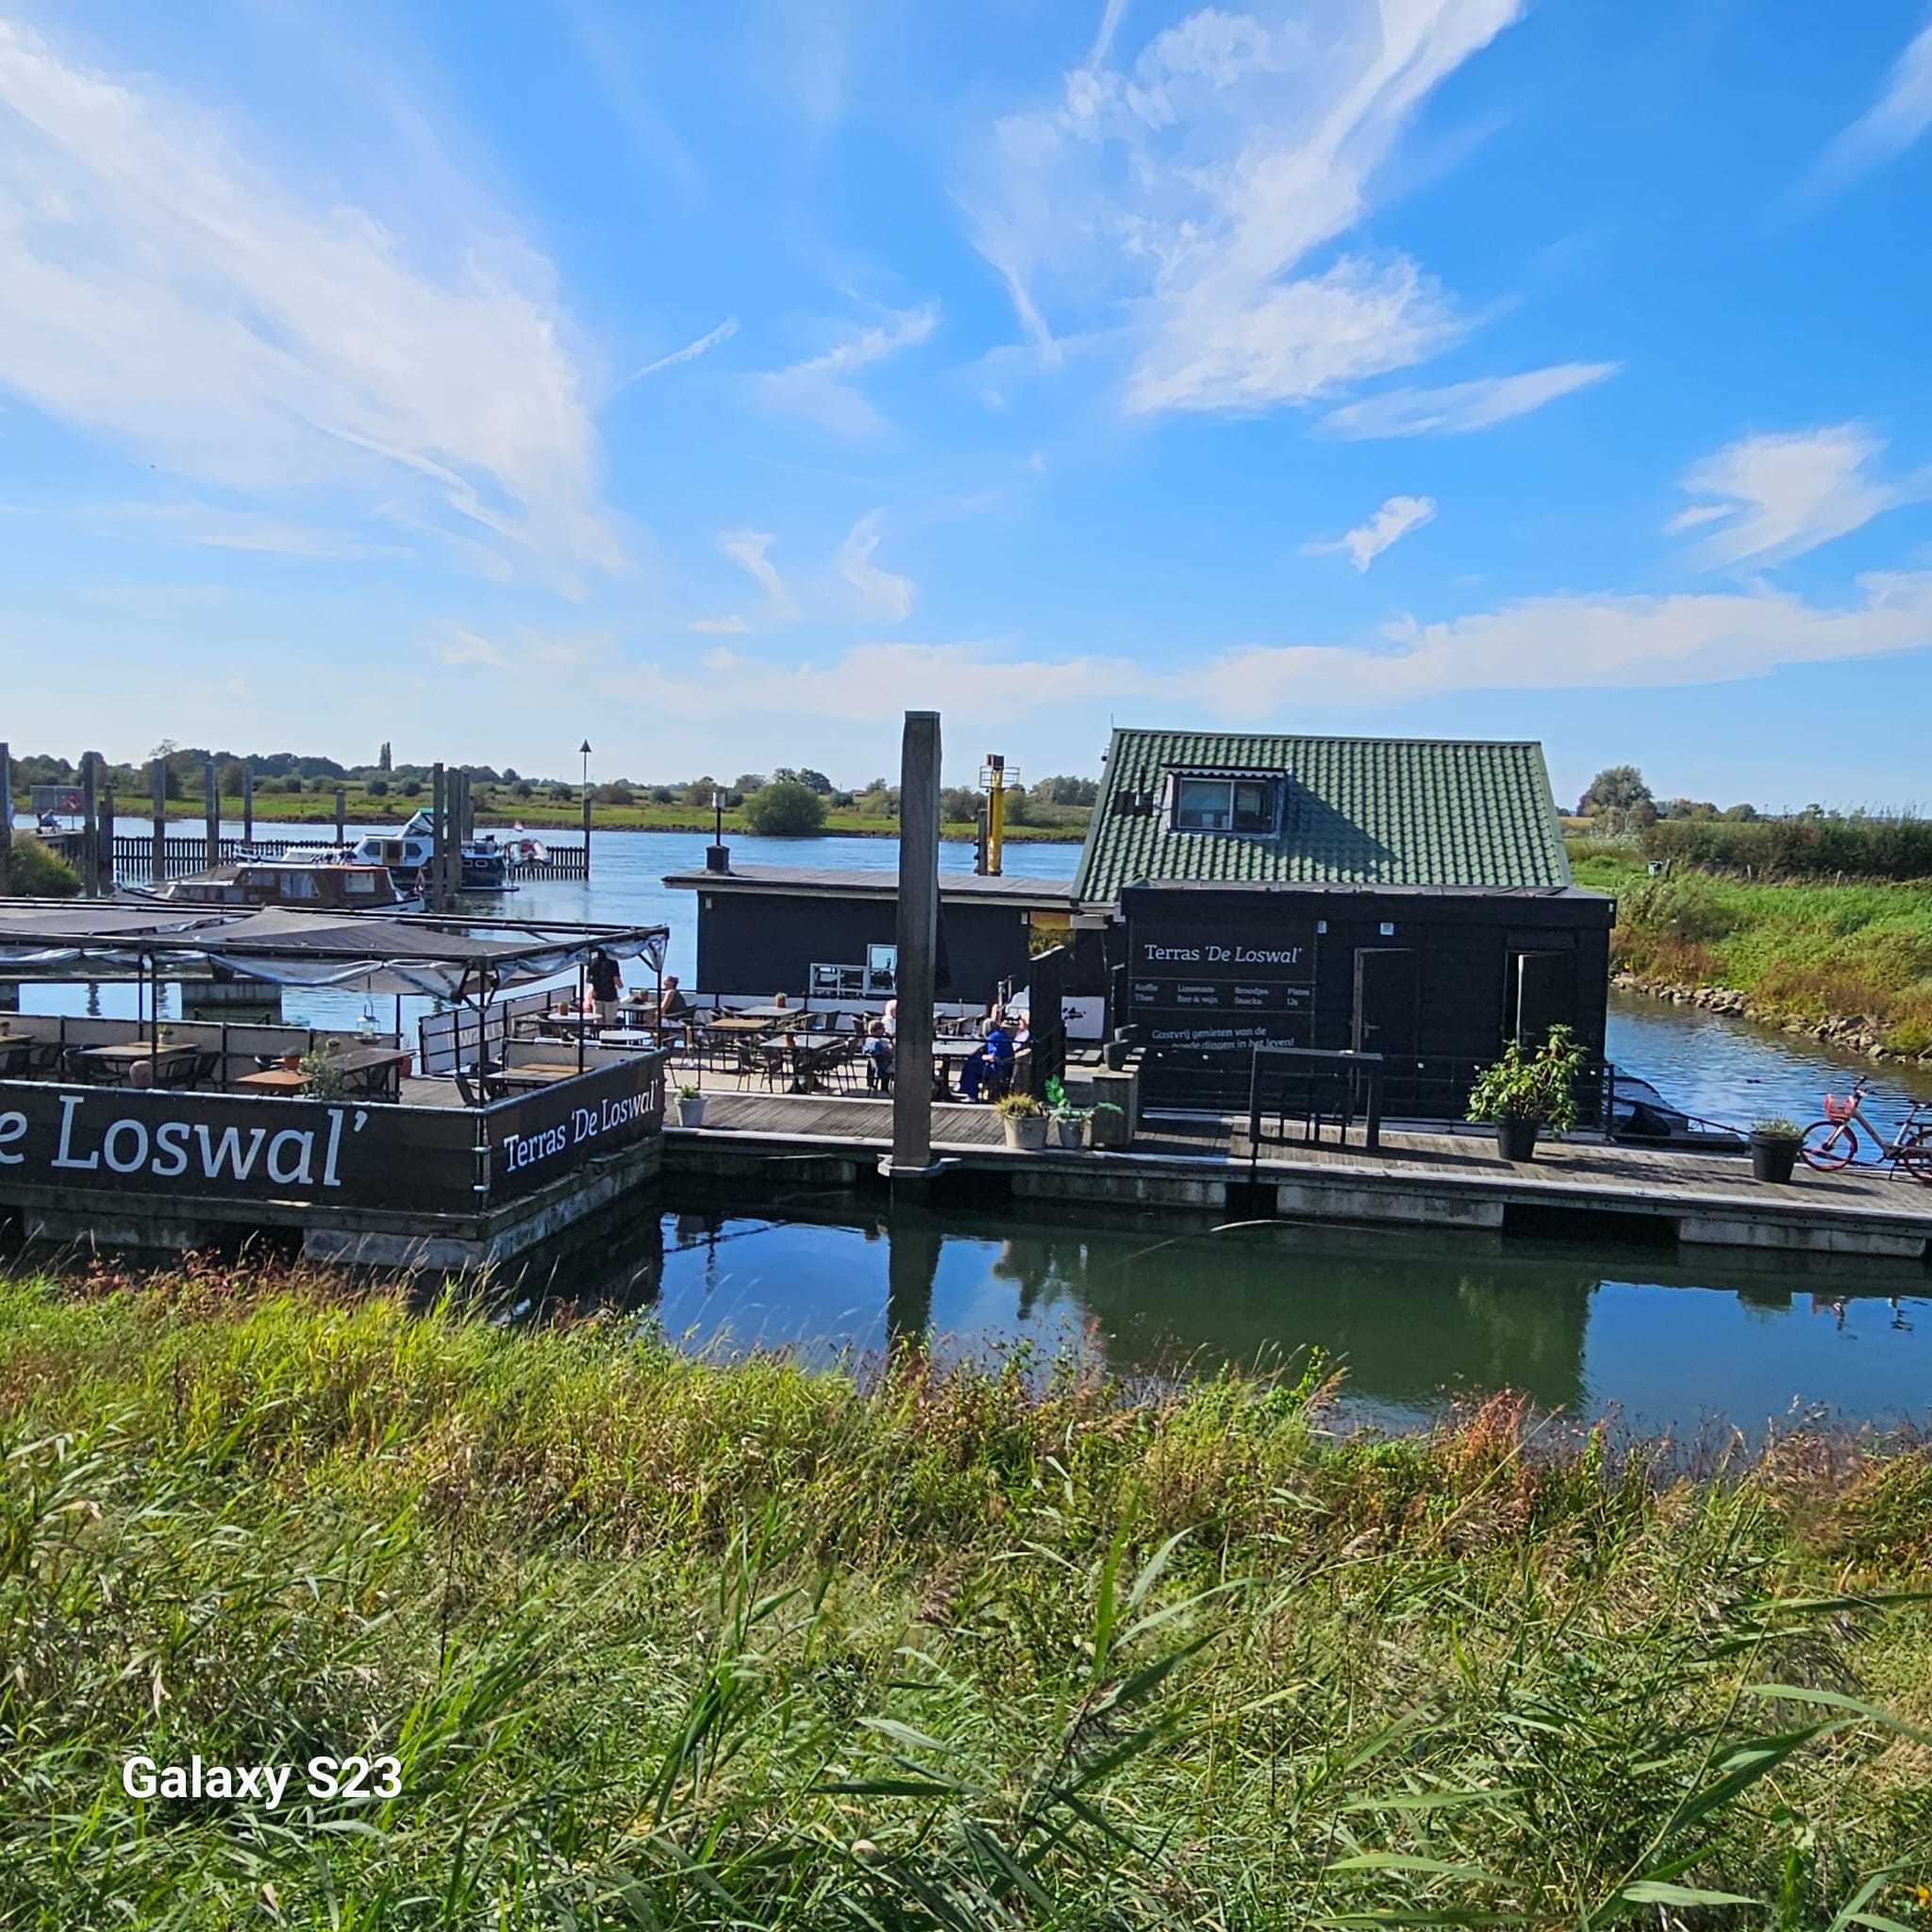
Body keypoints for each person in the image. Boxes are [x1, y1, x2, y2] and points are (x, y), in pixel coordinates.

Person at [958, 1015, 1014, 1102]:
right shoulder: (1002, 1035)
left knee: (970, 1066)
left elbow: (994, 1056)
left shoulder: (993, 1037)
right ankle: (966, 1089)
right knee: (973, 1062)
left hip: (998, 1068)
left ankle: (971, 1094)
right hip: (1005, 1067)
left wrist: (982, 1057)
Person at [587, 947, 623, 1028]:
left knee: (598, 1022)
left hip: (597, 996)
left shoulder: (592, 961)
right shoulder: (613, 962)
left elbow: (588, 980)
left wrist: (596, 982)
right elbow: (616, 980)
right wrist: (621, 986)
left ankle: (599, 1038)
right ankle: (609, 1039)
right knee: (610, 1023)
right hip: (610, 997)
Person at [862, 1020, 894, 1092]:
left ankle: (885, 1088)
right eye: (882, 1029)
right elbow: (892, 1053)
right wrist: (890, 1040)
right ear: (876, 1030)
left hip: (879, 1065)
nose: (884, 1030)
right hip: (884, 1066)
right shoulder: (878, 1043)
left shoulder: (868, 1040)